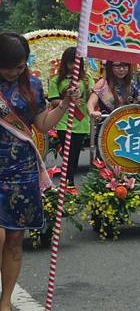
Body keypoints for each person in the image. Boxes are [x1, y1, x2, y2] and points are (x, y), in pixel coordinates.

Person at [0, 32, 79, 311]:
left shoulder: (32, 85)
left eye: (19, 66)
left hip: (22, 170)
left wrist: (65, 106)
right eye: (7, 66)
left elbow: (43, 124)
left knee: (13, 238)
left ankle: (5, 301)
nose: (13, 72)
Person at [47, 47, 94, 187]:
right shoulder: (56, 80)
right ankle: (68, 181)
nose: (74, 66)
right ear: (65, 63)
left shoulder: (87, 79)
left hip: (81, 121)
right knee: (67, 152)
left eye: (77, 62)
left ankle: (69, 179)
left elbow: (92, 96)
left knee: (75, 152)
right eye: (71, 62)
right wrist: (67, 99)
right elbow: (53, 100)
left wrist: (82, 97)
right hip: (63, 120)